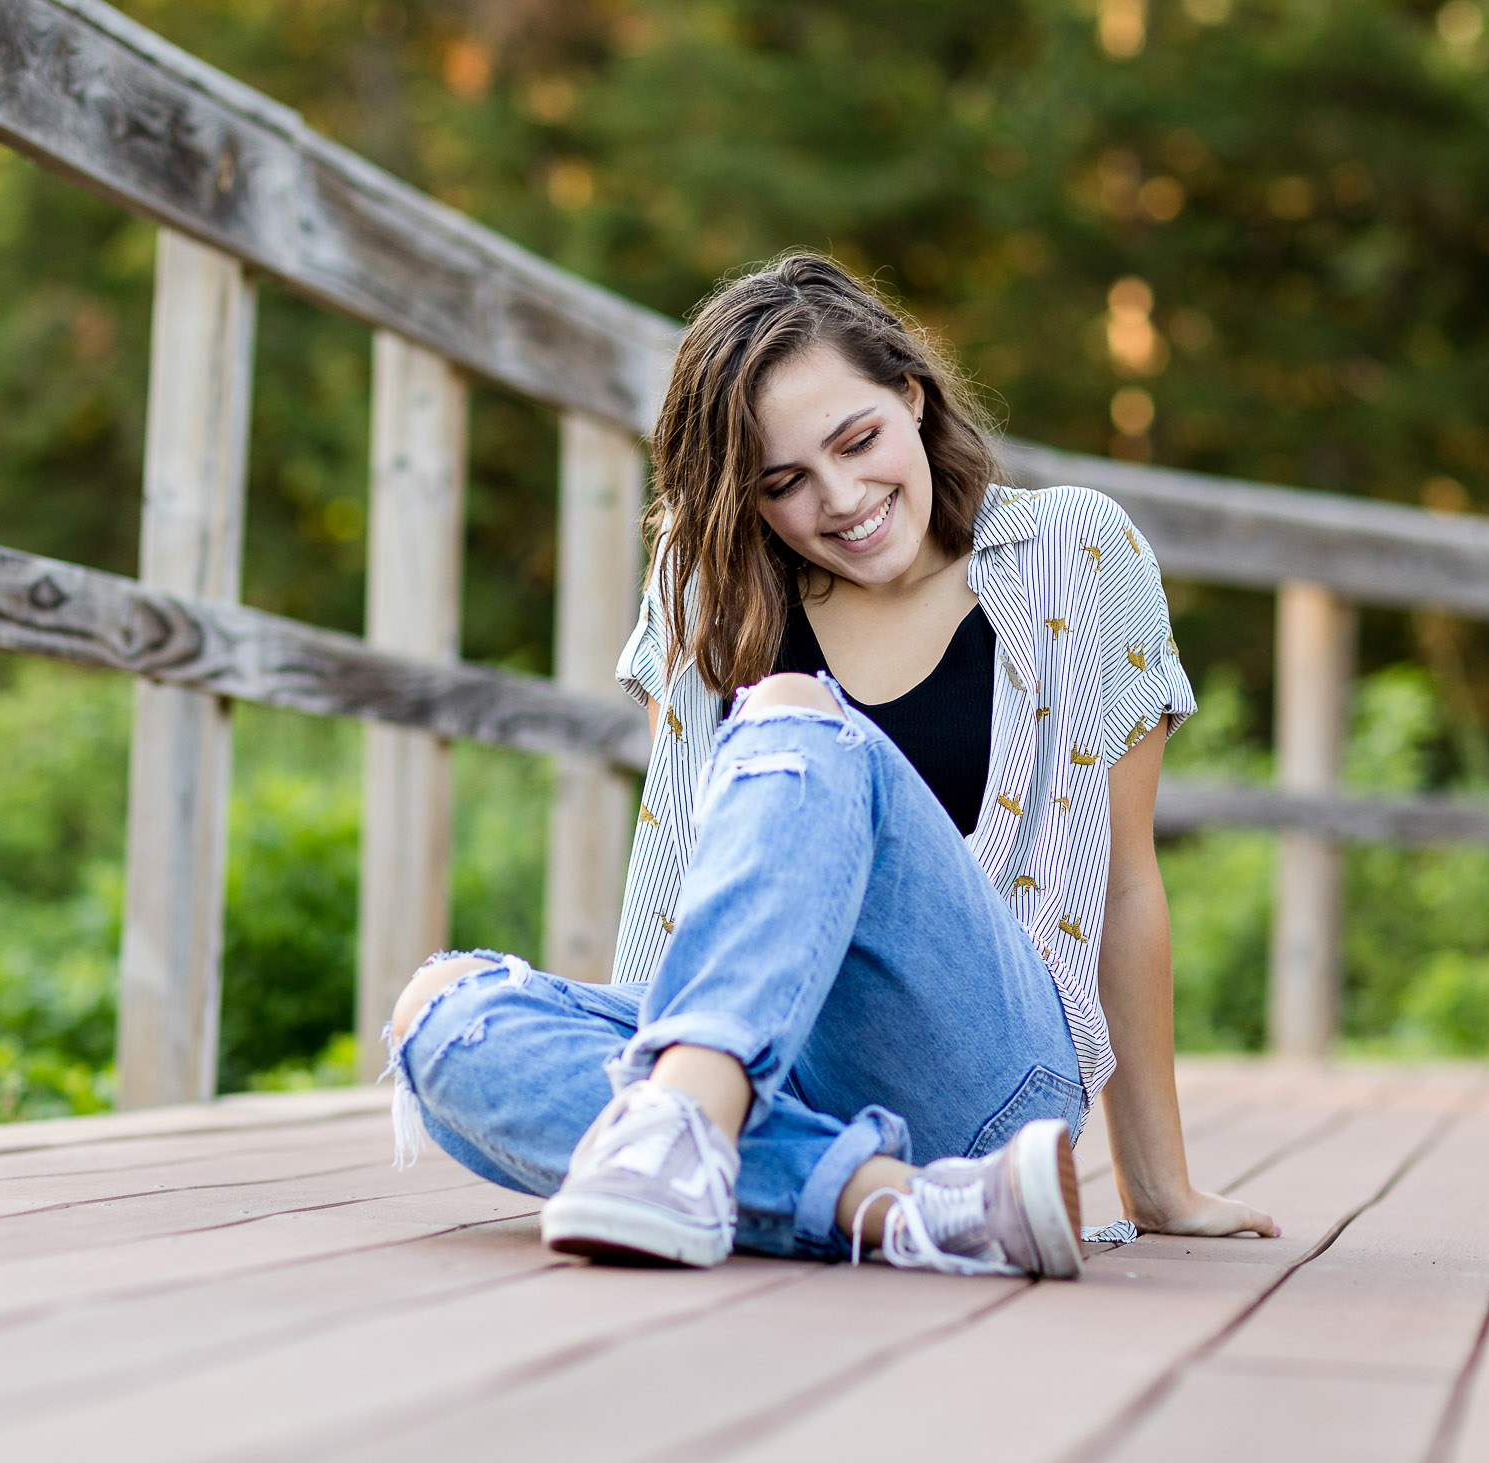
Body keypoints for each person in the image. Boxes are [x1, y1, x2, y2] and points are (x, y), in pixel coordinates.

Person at [386, 253, 1277, 1277]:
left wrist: (1157, 1183)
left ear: (911, 394)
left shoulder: (1074, 552)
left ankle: (685, 1134)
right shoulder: (705, 587)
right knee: (440, 1015)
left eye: (859, 441)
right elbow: (677, 858)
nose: (844, 498)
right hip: (783, 1071)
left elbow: (1124, 880)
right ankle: (896, 1202)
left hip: (989, 1076)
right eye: (785, 483)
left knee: (800, 719)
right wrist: (656, 1030)